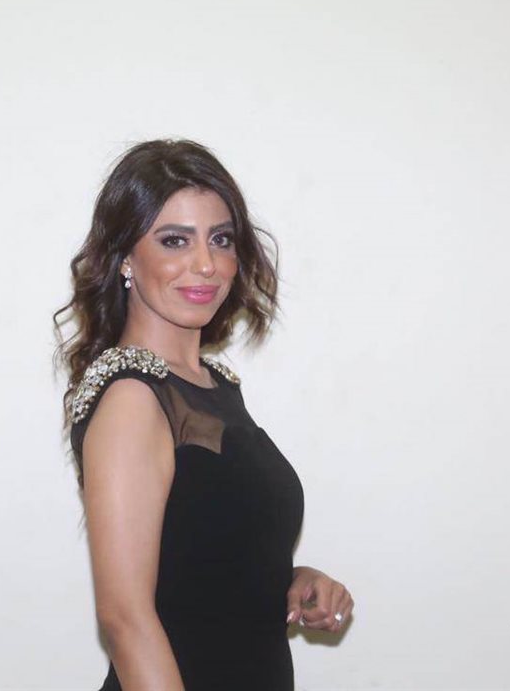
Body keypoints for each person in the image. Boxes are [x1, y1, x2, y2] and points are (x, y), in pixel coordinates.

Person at [53, 138, 354, 691]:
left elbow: (197, 570)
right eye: (175, 240)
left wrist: (290, 580)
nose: (206, 264)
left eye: (221, 239)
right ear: (124, 257)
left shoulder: (211, 386)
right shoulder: (134, 398)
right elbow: (125, 619)